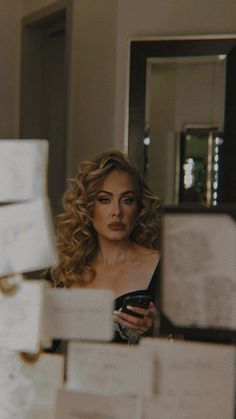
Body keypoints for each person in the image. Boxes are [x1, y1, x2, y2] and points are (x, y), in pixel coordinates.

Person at [52, 150, 161, 343]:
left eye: (127, 200)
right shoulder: (69, 269)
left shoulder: (161, 268)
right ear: (87, 207)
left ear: (139, 207)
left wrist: (157, 329)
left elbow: (188, 349)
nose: (117, 212)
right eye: (104, 200)